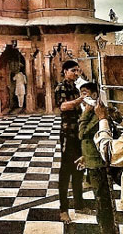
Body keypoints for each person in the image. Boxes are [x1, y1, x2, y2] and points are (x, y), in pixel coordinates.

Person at [55, 59, 90, 223]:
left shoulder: (75, 88)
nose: (76, 73)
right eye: (73, 71)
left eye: (77, 71)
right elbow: (63, 106)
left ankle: (79, 204)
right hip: (68, 134)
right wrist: (79, 100)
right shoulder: (61, 87)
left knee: (79, 169)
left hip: (77, 133)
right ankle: (63, 210)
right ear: (65, 71)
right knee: (65, 172)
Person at [77, 82, 115, 233]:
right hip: (92, 161)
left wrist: (86, 111)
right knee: (101, 198)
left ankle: (107, 229)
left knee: (102, 200)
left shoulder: (98, 115)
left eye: (85, 93)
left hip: (99, 163)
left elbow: (82, 134)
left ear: (94, 95)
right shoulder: (96, 113)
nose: (82, 97)